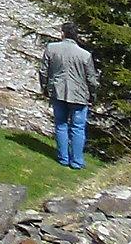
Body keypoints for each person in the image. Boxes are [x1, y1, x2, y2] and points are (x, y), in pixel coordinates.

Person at [39, 23, 99, 169]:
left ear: (63, 34)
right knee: (78, 127)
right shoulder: (85, 55)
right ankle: (77, 162)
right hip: (79, 95)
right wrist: (93, 95)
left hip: (58, 92)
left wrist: (45, 88)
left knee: (61, 124)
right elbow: (91, 79)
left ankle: (63, 158)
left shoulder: (51, 48)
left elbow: (43, 71)